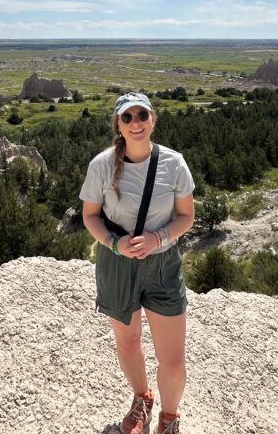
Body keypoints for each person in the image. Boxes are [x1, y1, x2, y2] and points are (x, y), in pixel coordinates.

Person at [80, 92, 195, 434]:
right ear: (118, 124)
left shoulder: (174, 163)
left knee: (172, 360)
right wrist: (115, 244)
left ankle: (169, 418)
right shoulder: (101, 165)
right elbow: (90, 216)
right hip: (117, 265)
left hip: (162, 265)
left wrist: (158, 238)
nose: (135, 123)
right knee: (128, 342)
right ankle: (142, 398)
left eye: (141, 115)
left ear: (153, 119)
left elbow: (187, 217)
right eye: (127, 117)